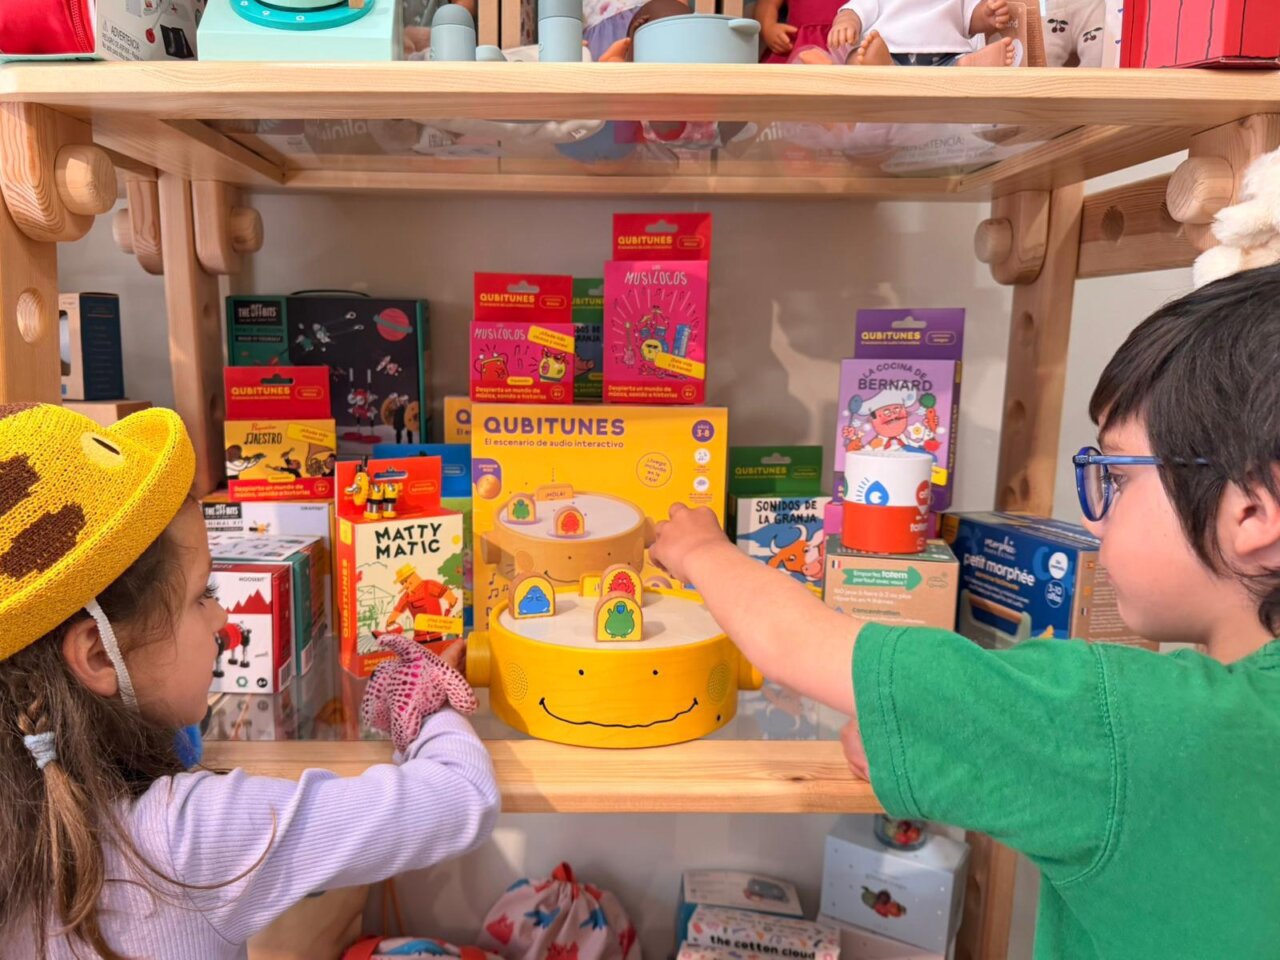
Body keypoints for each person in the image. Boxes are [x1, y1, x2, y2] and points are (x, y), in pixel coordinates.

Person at [651, 266, 1280, 959]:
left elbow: (796, 642)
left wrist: (700, 548)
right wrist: (923, 729)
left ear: (1251, 509)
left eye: (1117, 476)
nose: (1093, 518)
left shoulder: (1129, 726)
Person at [0, 404, 499, 960]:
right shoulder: (190, 835)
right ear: (97, 655)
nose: (221, 619)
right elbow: (461, 797)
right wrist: (426, 697)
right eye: (201, 597)